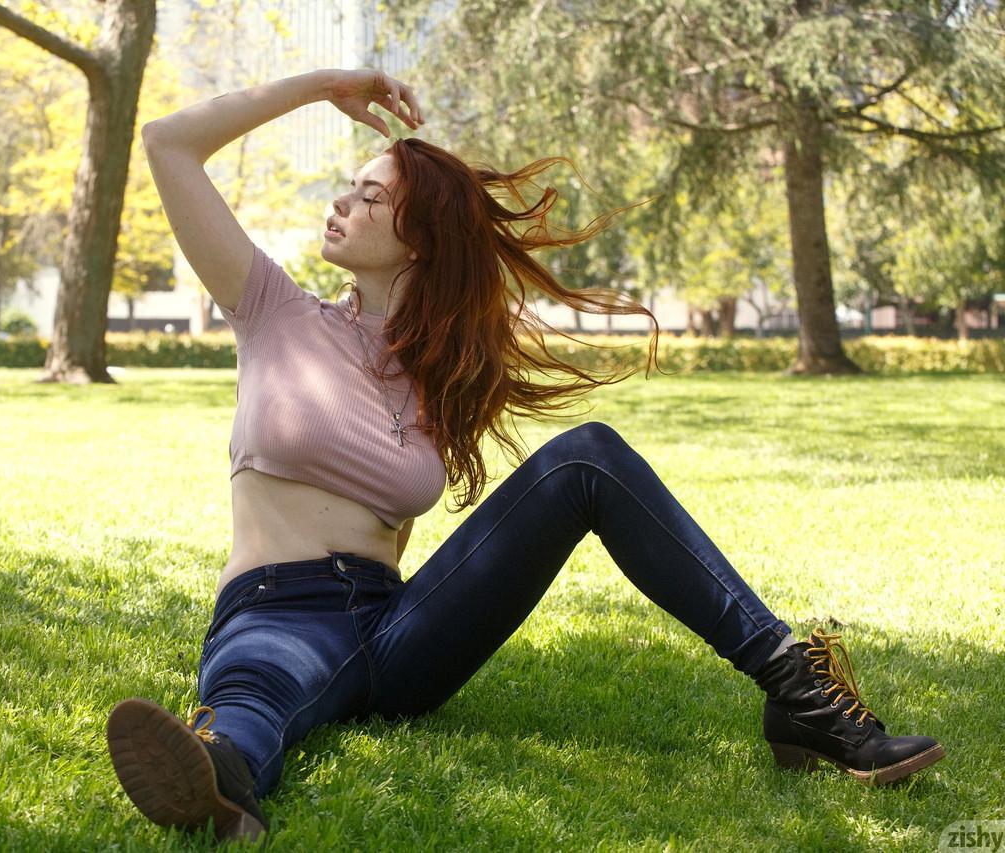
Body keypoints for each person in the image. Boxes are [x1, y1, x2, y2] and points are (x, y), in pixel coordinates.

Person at [106, 68, 945, 842]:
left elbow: (394, 529)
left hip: (394, 626)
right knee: (262, 686)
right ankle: (219, 769)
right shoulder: (270, 309)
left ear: (420, 238)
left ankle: (798, 693)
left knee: (587, 459)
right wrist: (326, 85)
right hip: (276, 604)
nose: (342, 202)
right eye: (349, 188)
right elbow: (168, 142)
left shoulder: (436, 376)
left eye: (369, 195)